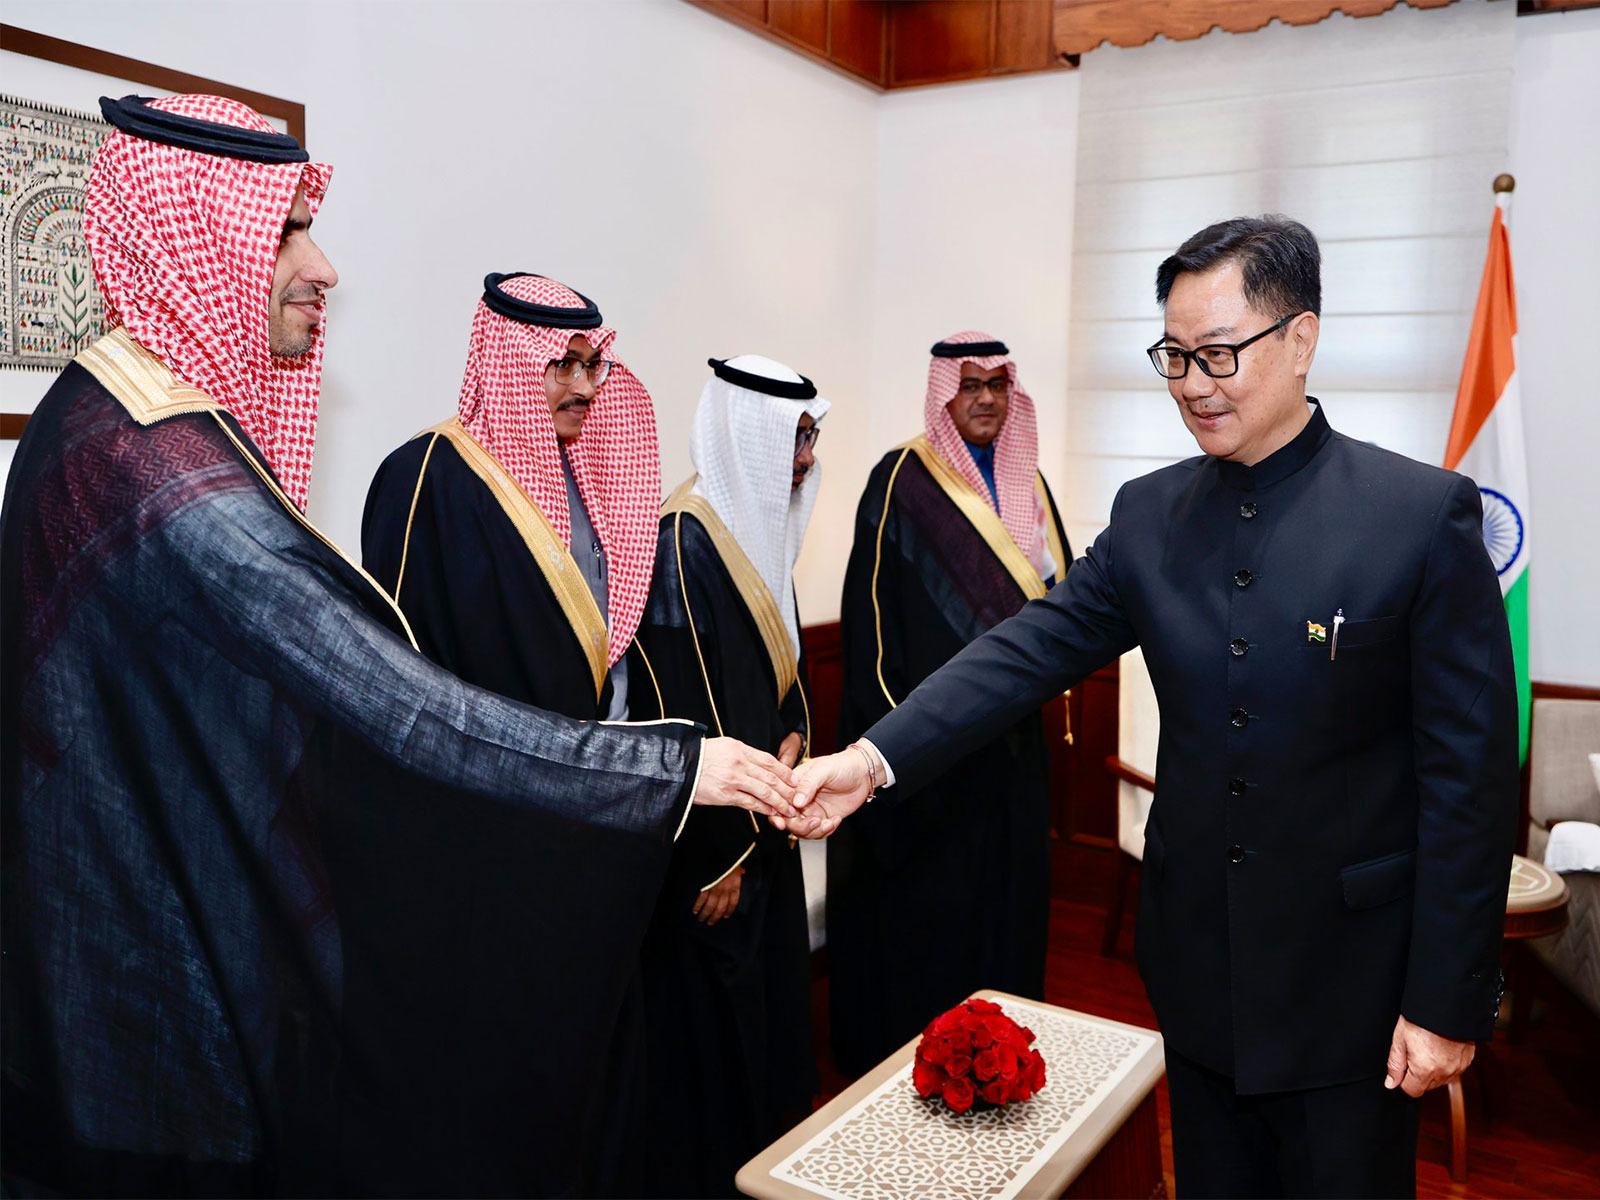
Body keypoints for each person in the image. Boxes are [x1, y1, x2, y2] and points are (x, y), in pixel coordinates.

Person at [0, 94, 795, 1198]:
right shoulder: (160, 475)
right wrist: (675, 766)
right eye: (285, 229)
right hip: (154, 991)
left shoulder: (111, 418)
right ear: (190, 239)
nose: (323, 266)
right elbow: (401, 699)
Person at [792, 217, 1517, 1198]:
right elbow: (1022, 654)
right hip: (1195, 973)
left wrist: (1445, 1001)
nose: (1190, 383)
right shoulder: (1148, 515)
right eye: (1172, 355)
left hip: (1352, 991)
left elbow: (1467, 783)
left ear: (1300, 338)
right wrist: (870, 760)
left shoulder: (1419, 518)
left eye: (1217, 353)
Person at [825, 331, 1071, 1075]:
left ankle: (1004, 1061)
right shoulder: (898, 479)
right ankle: (921, 1068)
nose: (987, 399)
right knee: (931, 922)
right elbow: (869, 636)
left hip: (1013, 749)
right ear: (943, 394)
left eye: (997, 384)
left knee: (1009, 910)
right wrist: (901, 754)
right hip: (928, 762)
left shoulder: (1028, 482)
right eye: (969, 386)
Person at [632, 355, 828, 1195]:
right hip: (720, 858)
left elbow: (780, 673)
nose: (806, 460)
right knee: (718, 1042)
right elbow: (678, 707)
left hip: (767, 825)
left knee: (773, 1028)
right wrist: (722, 853)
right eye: (795, 439)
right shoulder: (683, 540)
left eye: (812, 438)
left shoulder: (749, 529)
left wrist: (796, 745)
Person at [363, 271, 660, 723]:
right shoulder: (424, 477)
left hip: (601, 758)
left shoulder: (586, 470)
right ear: (510, 362)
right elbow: (399, 665)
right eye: (564, 364)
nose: (586, 388)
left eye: (591, 365)